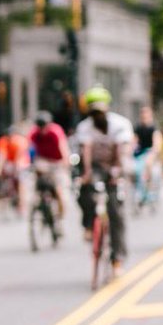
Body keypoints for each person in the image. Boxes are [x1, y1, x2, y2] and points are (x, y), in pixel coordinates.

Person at [74, 86, 134, 277]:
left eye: (99, 110)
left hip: (115, 166)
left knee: (116, 212)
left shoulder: (120, 124)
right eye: (93, 111)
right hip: (95, 167)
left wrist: (116, 171)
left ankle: (117, 258)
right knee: (83, 191)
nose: (96, 115)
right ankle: (89, 225)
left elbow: (121, 149)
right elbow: (86, 150)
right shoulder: (84, 127)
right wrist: (86, 174)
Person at [28, 109, 70, 223]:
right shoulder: (34, 133)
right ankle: (38, 200)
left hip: (57, 162)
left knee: (60, 191)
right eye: (40, 126)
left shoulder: (55, 131)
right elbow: (30, 149)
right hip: (43, 161)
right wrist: (28, 163)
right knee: (37, 178)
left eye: (44, 126)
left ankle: (59, 218)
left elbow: (63, 148)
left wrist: (65, 162)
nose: (42, 130)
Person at [0, 123, 31, 211]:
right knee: (5, 173)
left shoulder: (20, 141)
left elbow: (19, 156)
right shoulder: (3, 141)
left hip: (22, 161)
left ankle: (22, 203)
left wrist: (16, 168)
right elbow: (1, 155)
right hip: (9, 162)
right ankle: (8, 191)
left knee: (21, 179)